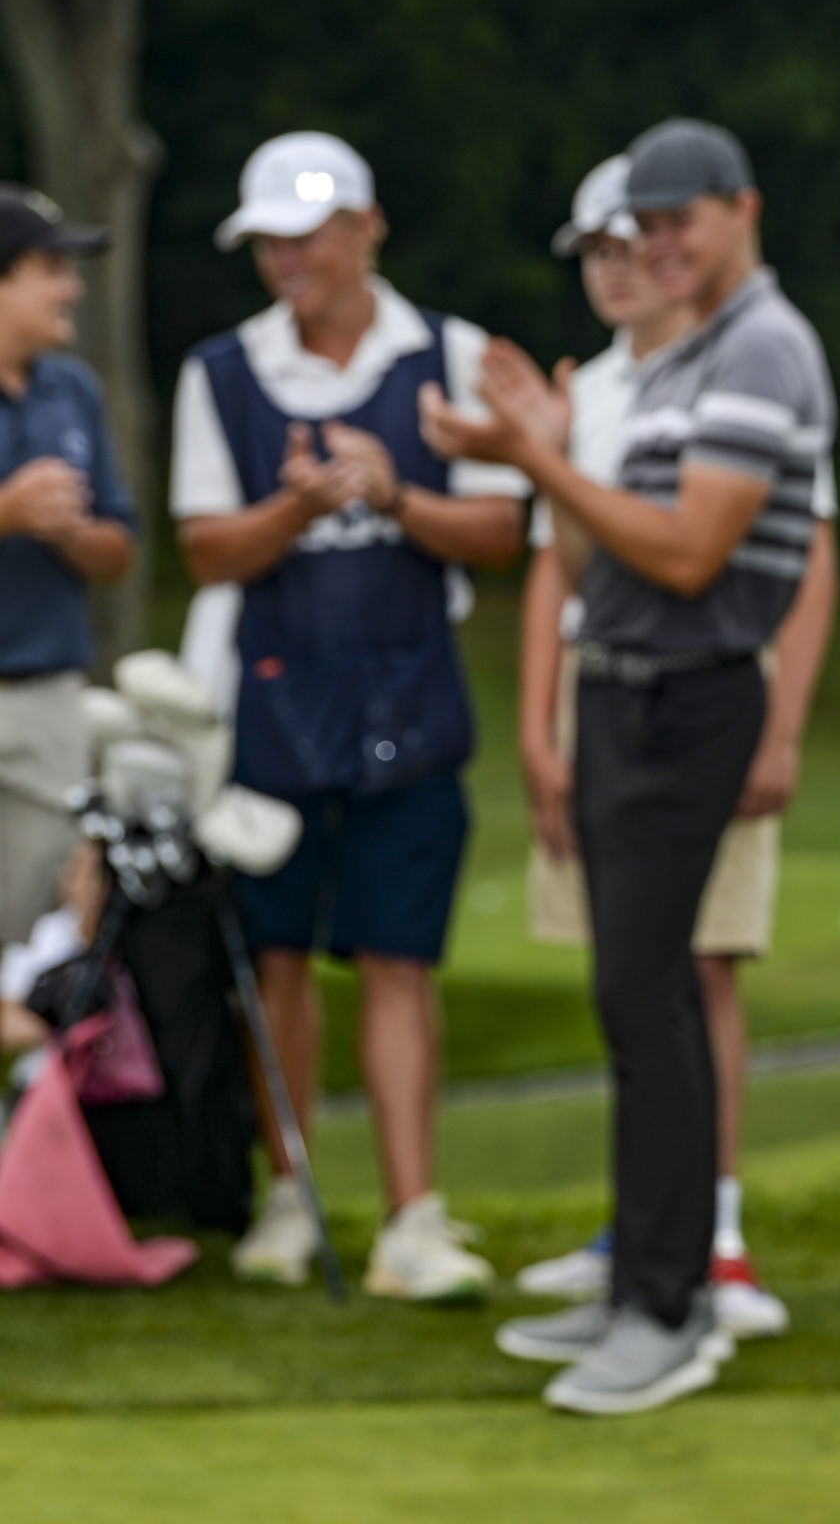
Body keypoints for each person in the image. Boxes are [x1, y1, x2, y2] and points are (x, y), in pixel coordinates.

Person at [433, 117, 836, 1413]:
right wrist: (559, 448)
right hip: (625, 695)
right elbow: (607, 540)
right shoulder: (687, 357)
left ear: (740, 209)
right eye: (644, 226)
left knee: (648, 997)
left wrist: (538, 457)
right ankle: (639, 1283)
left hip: (688, 700)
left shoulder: (765, 346)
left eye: (680, 222)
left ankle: (673, 1308)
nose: (661, 245)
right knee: (633, 1000)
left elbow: (682, 553)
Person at [170, 132, 526, 1299]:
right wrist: (297, 504)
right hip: (271, 709)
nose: (288, 259)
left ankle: (412, 1217)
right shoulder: (220, 371)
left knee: (397, 960)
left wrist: (394, 490)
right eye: (270, 240)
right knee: (276, 959)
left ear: (367, 228)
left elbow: (497, 529)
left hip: (410, 700)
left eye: (309, 234)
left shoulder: (451, 355)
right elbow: (207, 548)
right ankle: (291, 1195)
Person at [0, 186, 130, 946]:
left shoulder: (72, 389)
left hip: (50, 703)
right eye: (51, 267)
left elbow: (118, 550)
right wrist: (10, 513)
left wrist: (72, 532)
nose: (72, 288)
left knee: (40, 954)